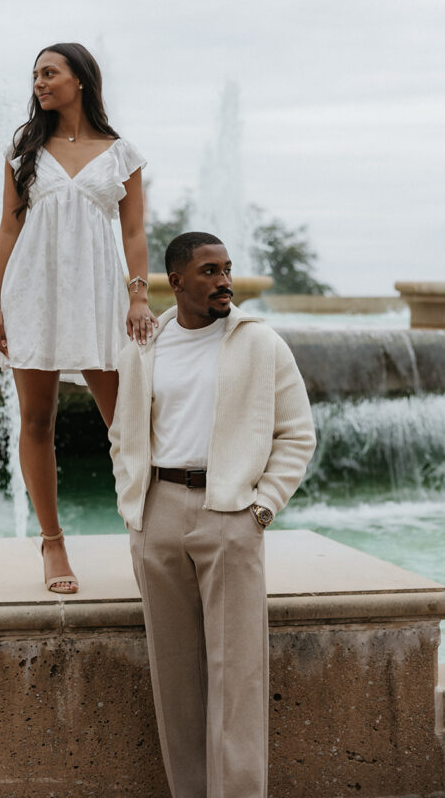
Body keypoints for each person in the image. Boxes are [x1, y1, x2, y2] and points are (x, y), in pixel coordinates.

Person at [108, 231, 316, 798]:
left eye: (226, 269)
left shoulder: (261, 343)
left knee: (238, 675)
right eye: (208, 271)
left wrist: (263, 507)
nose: (223, 280)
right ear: (175, 281)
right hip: (158, 513)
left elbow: (297, 435)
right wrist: (136, 504)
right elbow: (123, 433)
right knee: (174, 676)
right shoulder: (143, 346)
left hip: (231, 514)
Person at [0, 42, 157, 594]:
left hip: (100, 295)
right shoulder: (24, 147)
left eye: (49, 72)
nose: (39, 82)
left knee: (127, 425)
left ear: (79, 79)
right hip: (32, 291)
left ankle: (151, 538)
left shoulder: (120, 152)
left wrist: (138, 296)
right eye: (35, 74)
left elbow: (133, 232)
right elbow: (9, 229)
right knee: (37, 420)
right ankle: (52, 543)